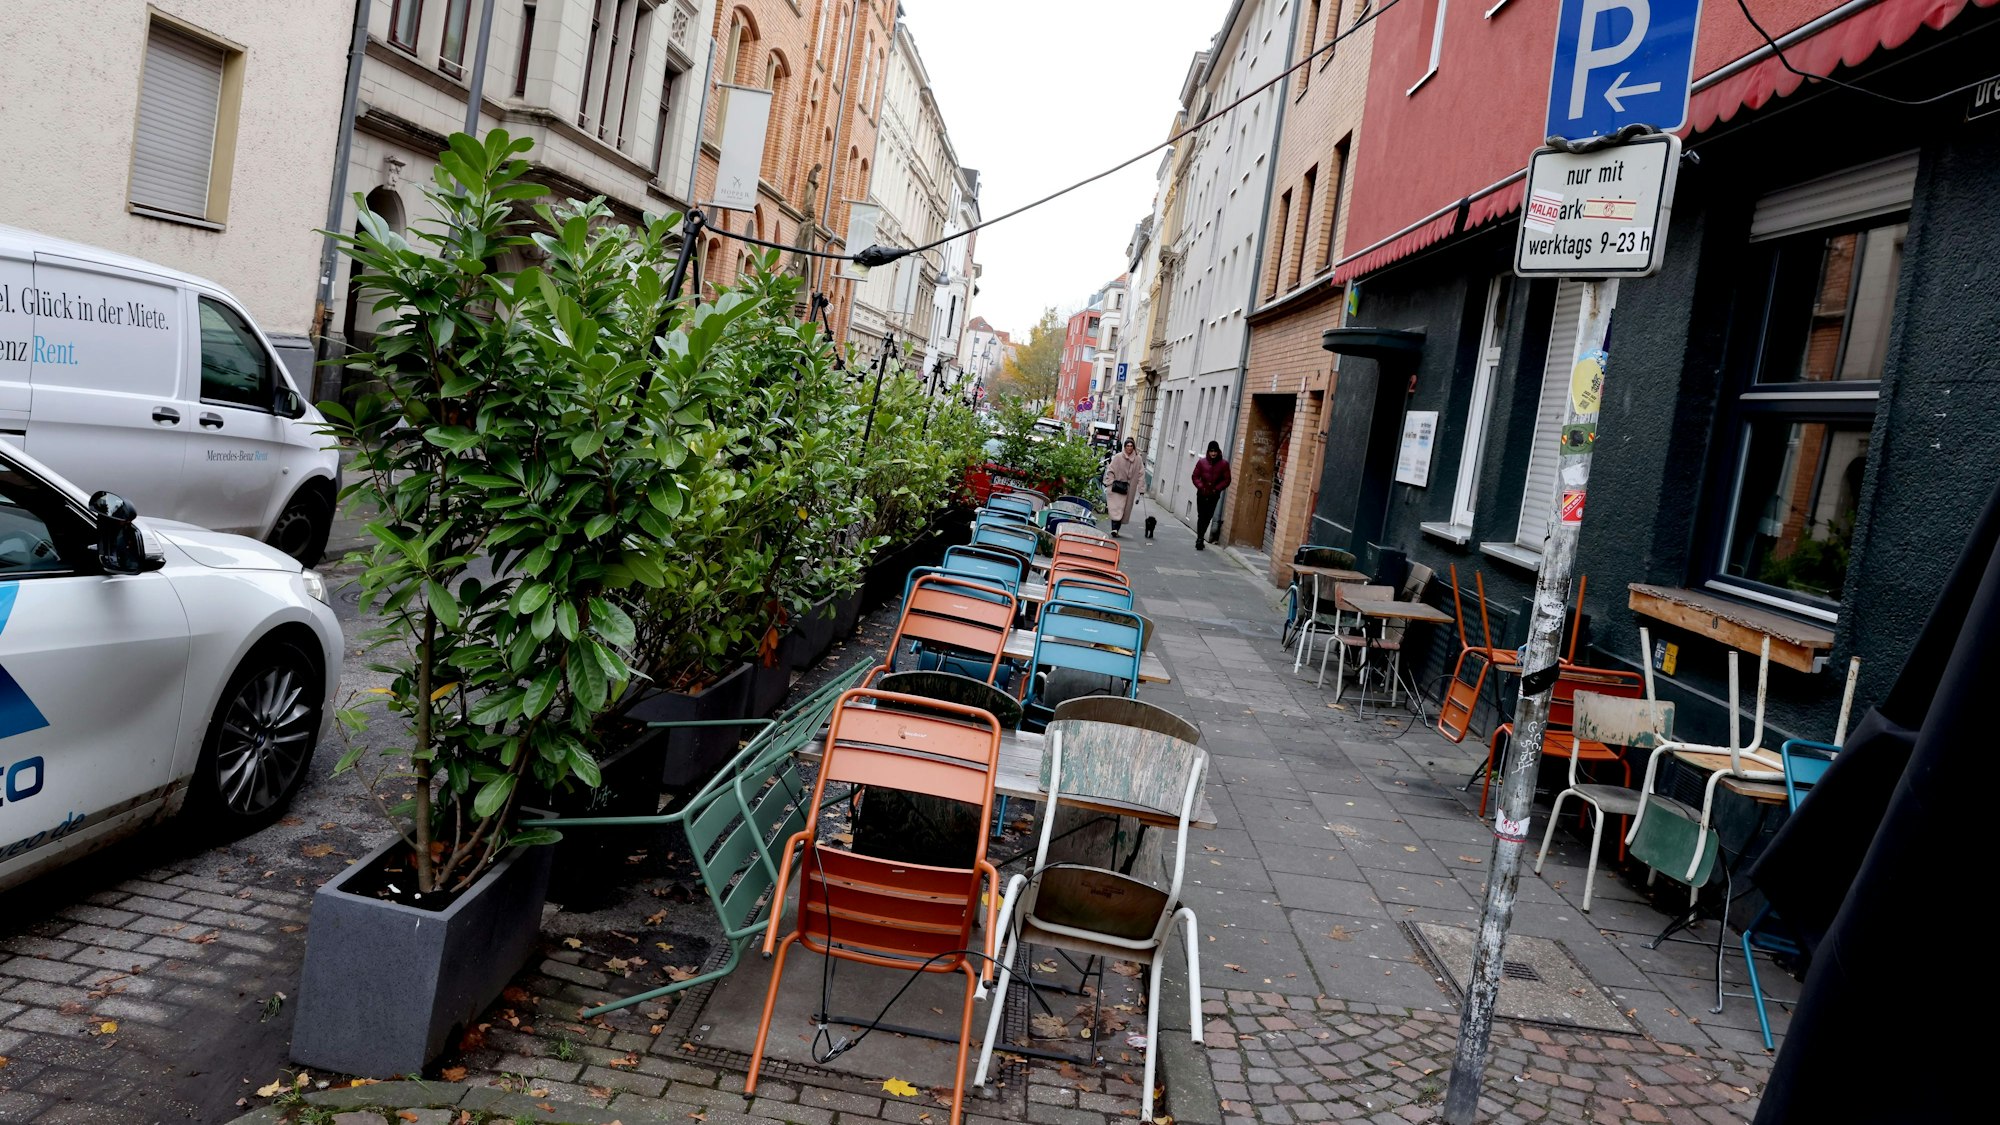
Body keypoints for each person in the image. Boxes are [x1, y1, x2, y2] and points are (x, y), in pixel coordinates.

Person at [1190, 440, 1231, 550]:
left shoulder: (1224, 464)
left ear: (1218, 452)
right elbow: (1194, 476)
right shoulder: (1201, 462)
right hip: (1202, 493)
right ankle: (1200, 538)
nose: (1213, 453)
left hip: (1213, 495)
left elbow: (1227, 480)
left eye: (1215, 451)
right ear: (1208, 451)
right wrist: (1201, 486)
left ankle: (1201, 537)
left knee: (1208, 517)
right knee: (1201, 516)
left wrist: (1216, 489)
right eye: (1211, 451)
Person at [1103, 438, 1143, 536]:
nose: (1129, 448)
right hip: (1117, 487)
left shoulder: (1138, 459)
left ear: (1133, 447)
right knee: (1116, 508)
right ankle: (1114, 529)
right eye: (1127, 446)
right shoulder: (1118, 457)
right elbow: (1110, 470)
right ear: (1124, 447)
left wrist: (1141, 489)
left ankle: (1117, 529)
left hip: (1129, 489)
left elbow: (1141, 474)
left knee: (1124, 510)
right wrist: (1110, 482)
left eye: (1131, 446)